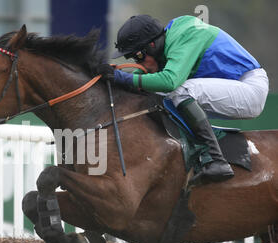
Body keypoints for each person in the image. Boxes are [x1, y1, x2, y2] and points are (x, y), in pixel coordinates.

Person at [96, 15, 269, 183]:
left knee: (180, 90)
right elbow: (144, 77)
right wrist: (115, 78)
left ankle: (217, 159)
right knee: (164, 94)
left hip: (250, 88)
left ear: (152, 45)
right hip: (235, 88)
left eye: (138, 56)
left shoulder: (185, 34)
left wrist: (122, 78)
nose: (138, 62)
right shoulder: (167, 42)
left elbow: (169, 81)